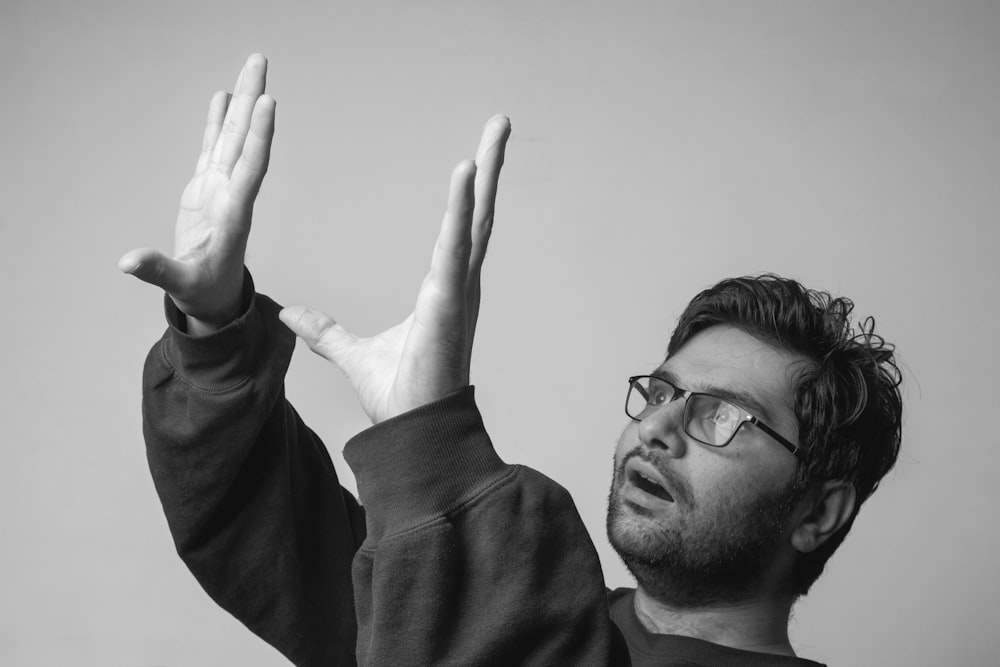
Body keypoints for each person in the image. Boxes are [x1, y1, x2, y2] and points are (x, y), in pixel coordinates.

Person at [120, 55, 902, 667]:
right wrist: (215, 330)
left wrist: (428, 443)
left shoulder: (485, 606)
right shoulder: (491, 601)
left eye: (721, 414)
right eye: (662, 391)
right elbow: (266, 532)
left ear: (818, 512)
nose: (659, 426)